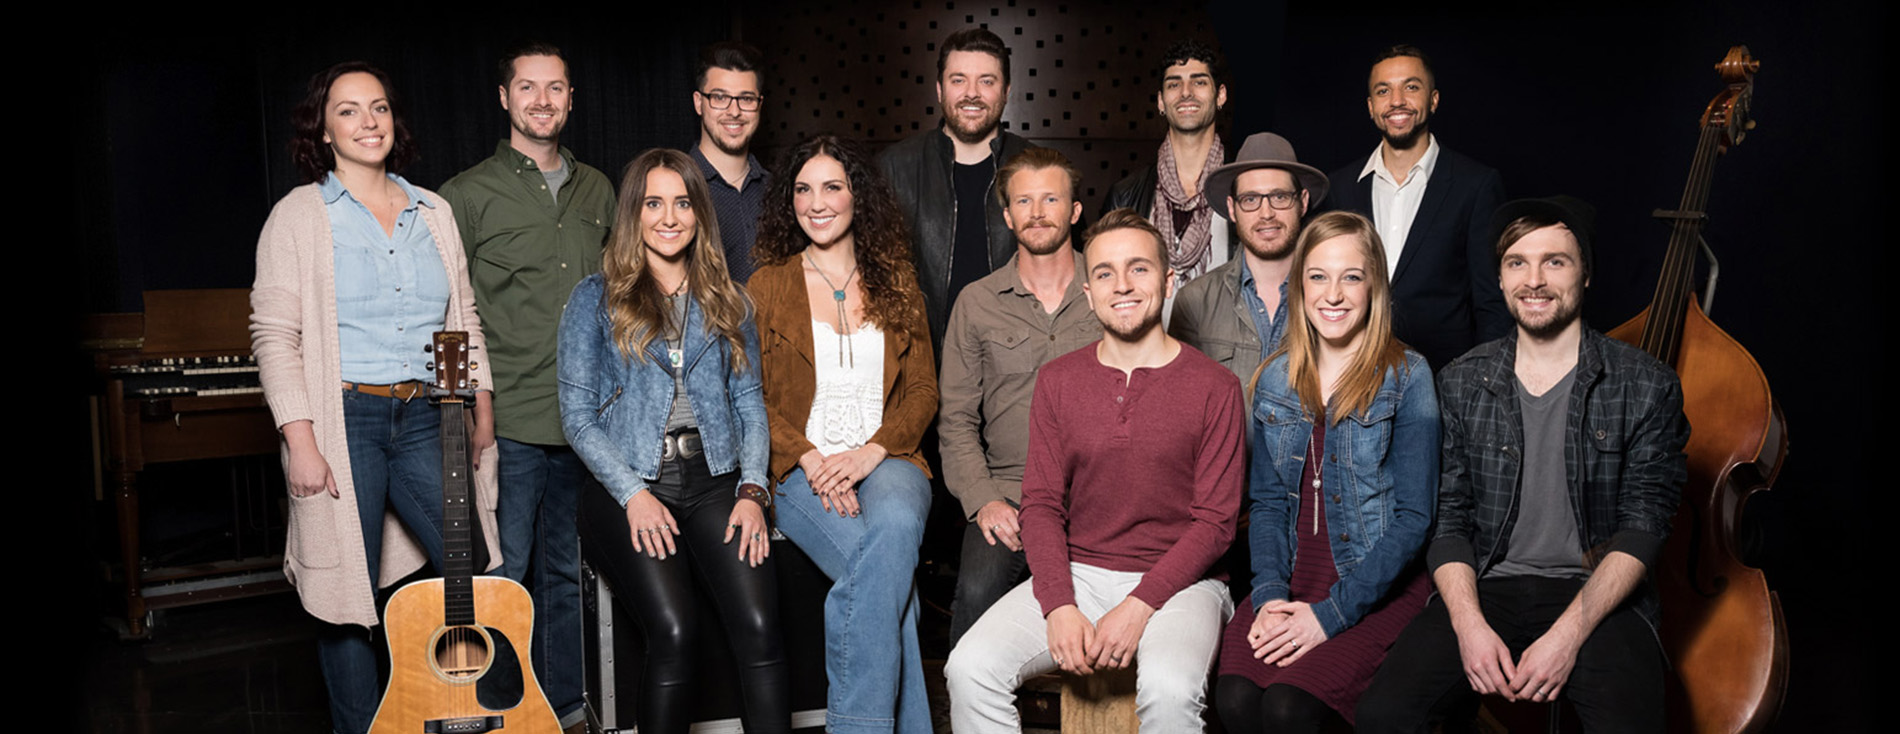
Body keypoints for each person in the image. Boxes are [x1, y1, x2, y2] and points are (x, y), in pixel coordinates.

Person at [1356, 196, 1688, 733]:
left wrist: (1567, 636)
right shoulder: (1460, 381)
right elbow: (1449, 522)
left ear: (1586, 274)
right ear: (1500, 278)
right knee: (1383, 715)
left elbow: (1644, 526)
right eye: (1517, 263)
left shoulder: (1647, 385)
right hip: (1486, 584)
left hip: (1597, 592)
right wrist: (1468, 627)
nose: (1534, 280)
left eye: (1555, 261)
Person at [249, 61, 498, 734]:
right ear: (324, 131)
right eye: (349, 110)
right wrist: (300, 439)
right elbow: (274, 335)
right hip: (343, 419)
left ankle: (437, 710)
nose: (368, 122)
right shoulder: (298, 217)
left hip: (429, 417)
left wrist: (481, 404)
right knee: (346, 599)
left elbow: (462, 317)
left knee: (470, 569)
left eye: (379, 107)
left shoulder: (434, 212)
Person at [945, 209, 1244, 733]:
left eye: (1138, 269)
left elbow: (1216, 524)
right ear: (1089, 292)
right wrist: (1058, 605)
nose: (1122, 285)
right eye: (1105, 273)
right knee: (969, 669)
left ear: (1168, 280)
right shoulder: (1058, 380)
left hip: (1185, 584)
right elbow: (1040, 505)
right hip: (1079, 572)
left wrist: (1139, 606)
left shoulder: (1216, 387)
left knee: (1170, 689)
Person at [558, 149, 787, 734]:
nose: (669, 217)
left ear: (699, 214)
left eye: (683, 203)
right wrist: (633, 495)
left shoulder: (730, 300)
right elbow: (578, 419)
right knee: (676, 633)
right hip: (630, 481)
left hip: (716, 480)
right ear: (633, 213)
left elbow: (749, 405)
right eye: (653, 203)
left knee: (761, 629)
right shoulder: (595, 298)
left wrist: (753, 490)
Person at [437, 42, 616, 729]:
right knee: (502, 576)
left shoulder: (600, 190)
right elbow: (450, 314)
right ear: (504, 98)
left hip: (584, 424)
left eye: (556, 88)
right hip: (505, 422)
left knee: (568, 578)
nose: (543, 100)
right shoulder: (464, 195)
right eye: (528, 88)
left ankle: (562, 708)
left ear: (571, 99)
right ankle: (499, 711)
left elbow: (619, 301)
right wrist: (467, 410)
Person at [1213, 211, 1438, 733]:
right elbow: (1267, 504)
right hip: (1290, 577)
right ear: (1299, 286)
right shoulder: (1275, 378)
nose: (1332, 294)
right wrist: (1270, 595)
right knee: (1236, 698)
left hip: (1373, 581)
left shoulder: (1408, 376)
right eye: (1318, 276)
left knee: (1289, 708)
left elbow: (1415, 518)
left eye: (1351, 277)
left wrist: (1331, 615)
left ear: (1373, 286)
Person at [752, 134, 937, 734]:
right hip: (800, 470)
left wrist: (870, 453)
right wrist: (808, 457)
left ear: (858, 196)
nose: (817, 202)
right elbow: (748, 398)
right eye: (803, 189)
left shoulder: (898, 281)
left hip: (890, 458)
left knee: (893, 531)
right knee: (885, 575)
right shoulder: (766, 286)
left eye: (832, 187)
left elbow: (923, 391)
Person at [938, 148, 1100, 648]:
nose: (1037, 212)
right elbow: (956, 419)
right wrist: (983, 500)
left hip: (1098, 491)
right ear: (1007, 216)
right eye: (1024, 201)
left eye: (1051, 199)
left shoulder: (1108, 291)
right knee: (975, 595)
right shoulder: (977, 302)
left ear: (1074, 211)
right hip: (1011, 491)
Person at [1325, 44, 1508, 368]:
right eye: (1384, 90)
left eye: (1411, 87)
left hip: (1446, 377)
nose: (1397, 100)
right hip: (1353, 373)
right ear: (1371, 106)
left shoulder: (1476, 185)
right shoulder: (1339, 188)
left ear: (1433, 100)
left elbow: (1492, 303)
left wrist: (1482, 382)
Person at [879, 27, 1037, 347]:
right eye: (958, 80)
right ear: (940, 89)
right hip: (922, 358)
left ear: (1006, 90)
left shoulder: (1040, 168)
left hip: (1016, 362)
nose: (972, 93)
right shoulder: (893, 168)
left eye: (986, 81)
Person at [1171, 131, 1329, 388]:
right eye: (1250, 199)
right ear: (1232, 208)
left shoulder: (1334, 298)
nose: (1266, 213)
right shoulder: (1195, 302)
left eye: (1280, 197)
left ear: (1302, 202)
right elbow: (1180, 398)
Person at [1102, 39, 1234, 311]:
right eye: (1174, 84)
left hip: (1225, 335)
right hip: (1147, 336)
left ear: (1220, 95)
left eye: (1199, 82)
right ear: (1161, 101)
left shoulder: (1242, 188)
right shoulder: (1125, 195)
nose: (1186, 93)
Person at [690, 41, 771, 282]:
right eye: (720, 97)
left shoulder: (779, 191)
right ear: (698, 102)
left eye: (746, 99)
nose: (734, 111)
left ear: (759, 105)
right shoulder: (675, 188)